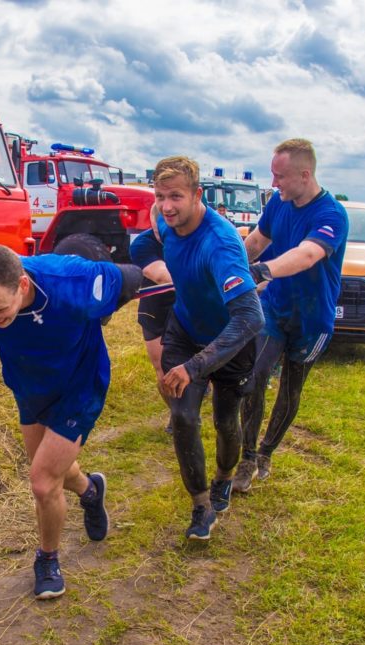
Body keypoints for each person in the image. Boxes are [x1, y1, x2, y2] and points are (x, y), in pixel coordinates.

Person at [0, 243, 142, 599]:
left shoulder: (71, 281)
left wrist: (174, 274)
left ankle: (47, 559)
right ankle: (90, 490)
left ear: (23, 286)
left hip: (79, 384)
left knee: (42, 482)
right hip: (30, 386)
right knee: (52, 470)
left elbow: (134, 276)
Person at [130, 156, 264, 541]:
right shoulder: (163, 221)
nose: (167, 206)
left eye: (176, 196)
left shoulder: (220, 244)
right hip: (185, 332)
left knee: (225, 420)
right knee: (184, 417)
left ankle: (224, 476)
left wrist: (196, 367)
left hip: (231, 340)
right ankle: (201, 506)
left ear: (197, 195)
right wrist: (160, 271)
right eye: (160, 197)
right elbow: (140, 247)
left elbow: (249, 318)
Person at [235, 138, 349, 493]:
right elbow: (254, 243)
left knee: (291, 387)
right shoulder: (278, 204)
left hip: (312, 319)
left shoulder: (331, 214)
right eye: (273, 175)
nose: (274, 184)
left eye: (279, 176)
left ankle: (268, 451)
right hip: (275, 308)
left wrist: (261, 272)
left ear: (304, 174)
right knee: (253, 377)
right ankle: (248, 458)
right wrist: (228, 266)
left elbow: (307, 255)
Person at [136, 203, 176, 434]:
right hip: (155, 307)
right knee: (161, 367)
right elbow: (160, 274)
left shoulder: (195, 238)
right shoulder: (144, 243)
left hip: (189, 306)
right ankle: (177, 412)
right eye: (159, 222)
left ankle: (188, 407)